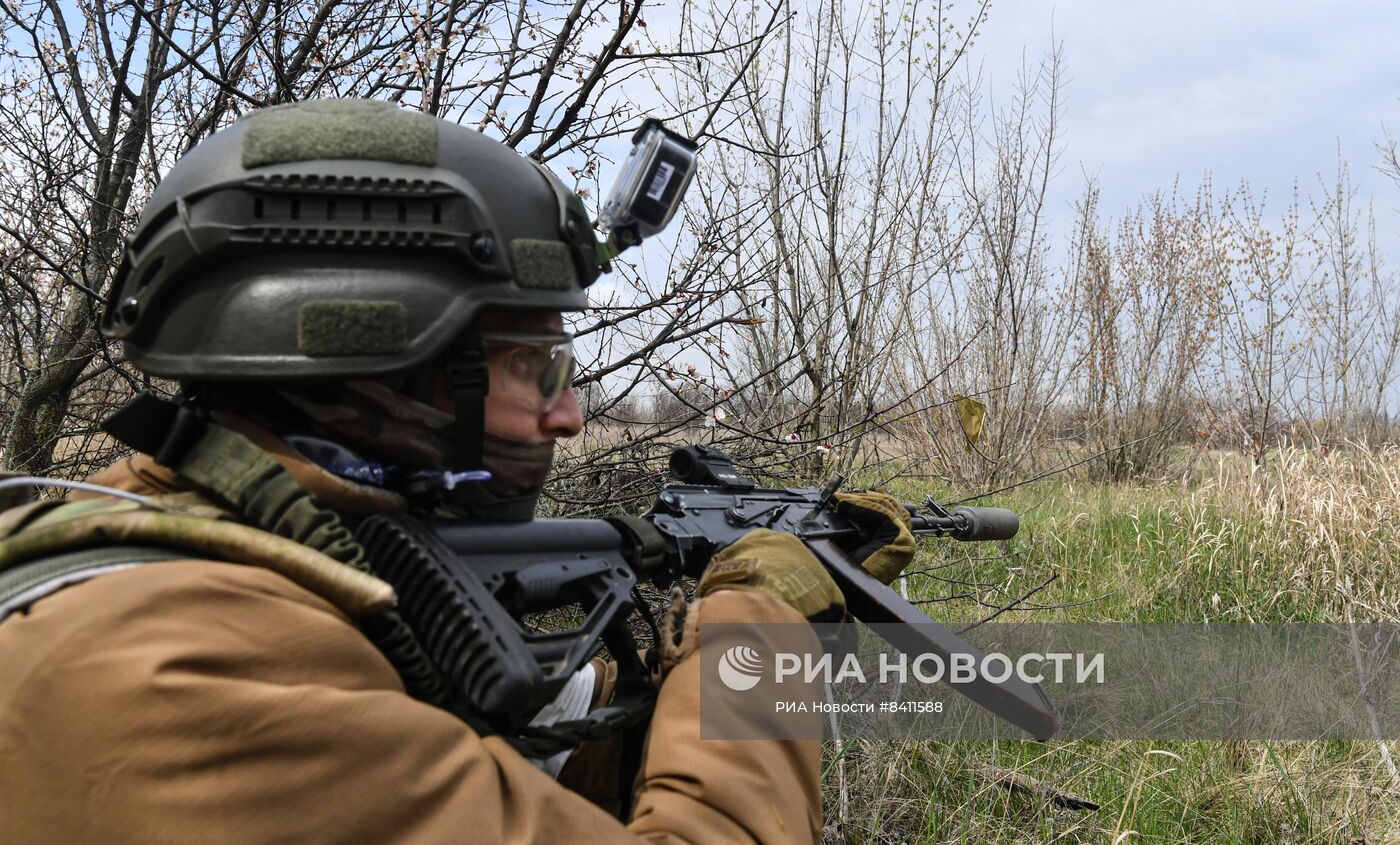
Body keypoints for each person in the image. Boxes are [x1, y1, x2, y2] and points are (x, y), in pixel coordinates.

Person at [0, 99, 915, 842]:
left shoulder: (226, 563)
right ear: (385, 372)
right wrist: (753, 635)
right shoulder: (180, 675)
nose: (568, 413)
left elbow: (514, 781)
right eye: (534, 368)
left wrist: (657, 687)